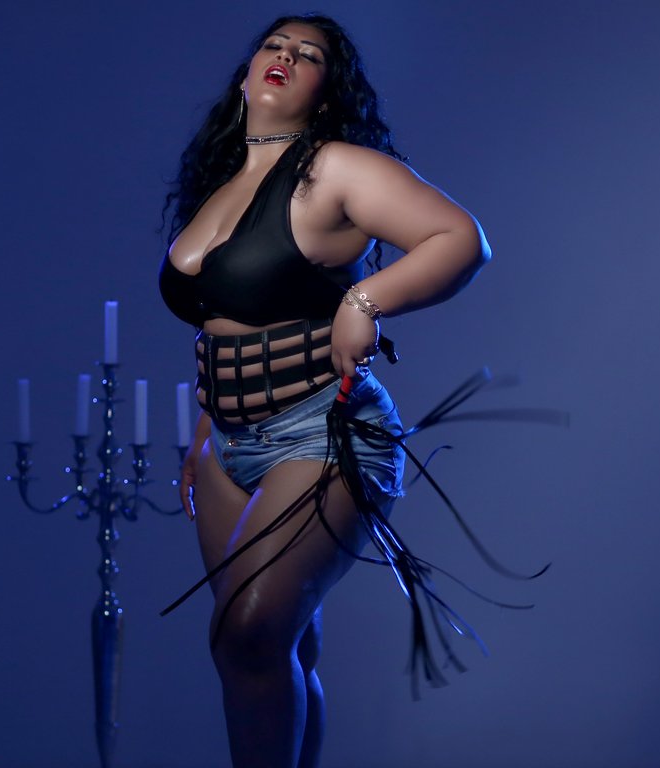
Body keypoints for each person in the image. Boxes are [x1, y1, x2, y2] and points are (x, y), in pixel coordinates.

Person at [158, 13, 490, 768]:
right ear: (247, 72)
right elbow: (220, 319)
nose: (285, 56)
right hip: (225, 450)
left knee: (247, 636)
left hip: (322, 430)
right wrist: (206, 428)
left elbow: (460, 239)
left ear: (326, 89)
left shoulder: (333, 168)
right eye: (273, 46)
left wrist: (364, 300)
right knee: (279, 648)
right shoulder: (220, 185)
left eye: (307, 55)